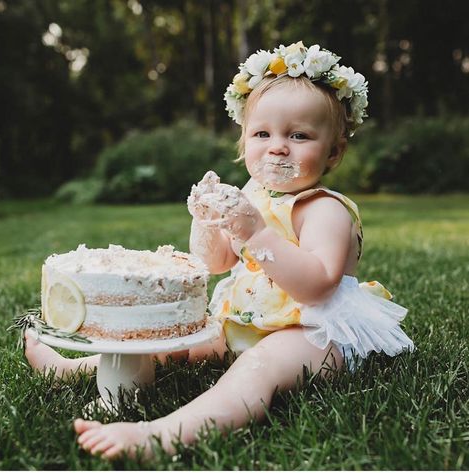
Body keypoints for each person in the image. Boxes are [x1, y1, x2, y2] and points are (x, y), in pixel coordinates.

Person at [25, 41, 414, 459]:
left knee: (255, 370)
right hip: (248, 319)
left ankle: (163, 434)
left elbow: (317, 286)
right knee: (177, 347)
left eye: (299, 135)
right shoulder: (253, 194)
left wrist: (258, 233)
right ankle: (77, 368)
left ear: (334, 151)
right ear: (244, 143)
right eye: (262, 134)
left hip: (313, 333)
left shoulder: (324, 209)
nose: (278, 146)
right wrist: (209, 222)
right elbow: (218, 263)